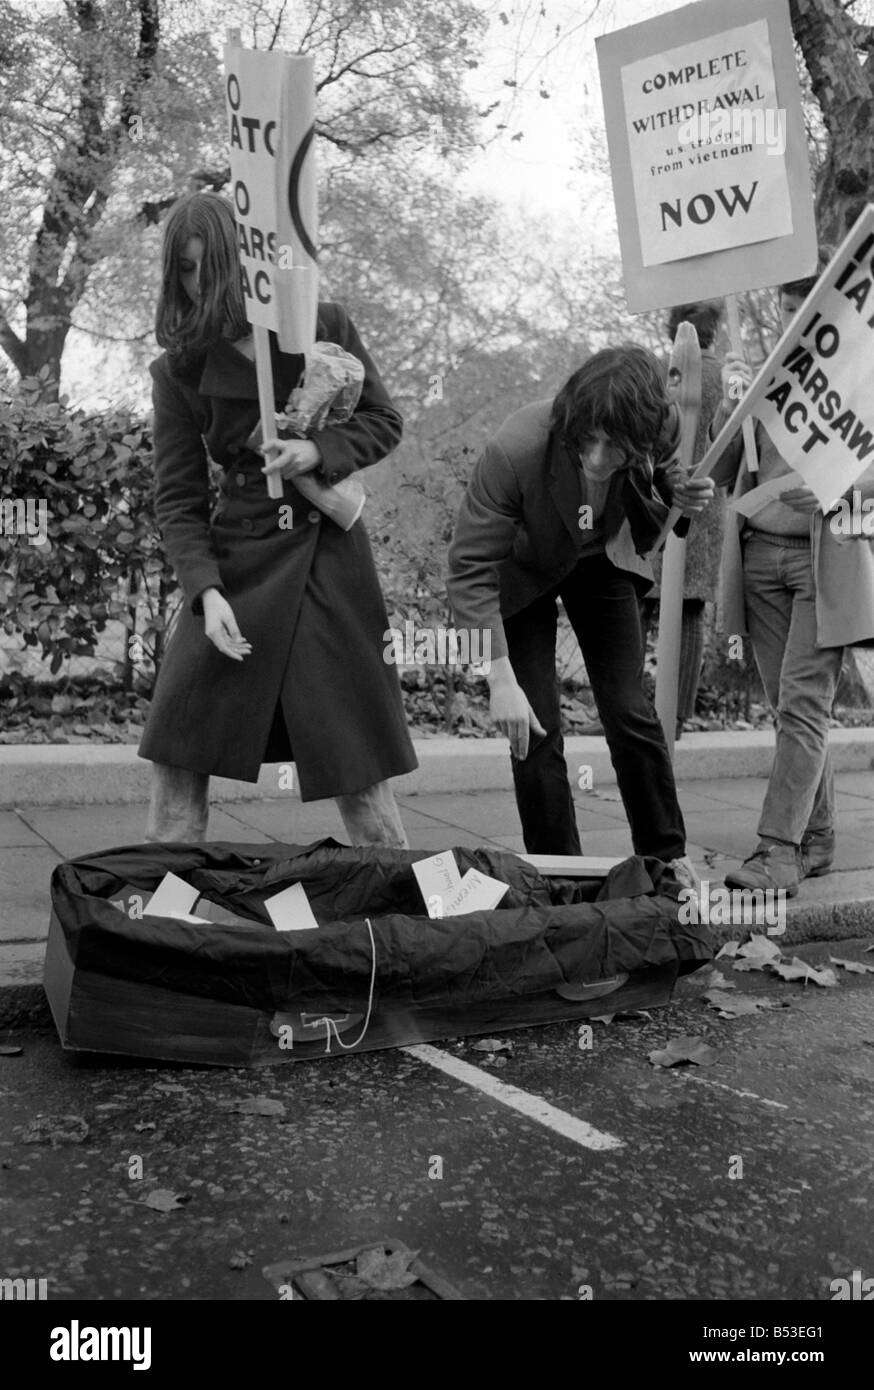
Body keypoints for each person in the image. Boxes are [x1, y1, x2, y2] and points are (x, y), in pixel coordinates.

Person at [138, 192, 416, 846]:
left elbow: (385, 422)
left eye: (209, 265)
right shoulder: (177, 370)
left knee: (357, 760)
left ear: (244, 261)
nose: (198, 283)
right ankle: (155, 925)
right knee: (179, 745)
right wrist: (204, 592)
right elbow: (176, 498)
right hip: (235, 563)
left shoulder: (321, 323)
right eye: (183, 269)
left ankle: (399, 920)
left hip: (325, 561)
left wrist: (319, 449)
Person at [446, 344, 715, 881]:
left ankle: (668, 860)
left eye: (614, 447)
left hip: (600, 562)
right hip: (523, 572)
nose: (596, 458)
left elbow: (661, 475)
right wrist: (499, 677)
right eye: (585, 441)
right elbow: (469, 568)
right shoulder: (516, 449)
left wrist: (677, 487)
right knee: (534, 725)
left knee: (629, 712)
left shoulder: (660, 424)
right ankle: (559, 872)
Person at [712, 249, 874, 894]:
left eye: (802, 313)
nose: (789, 324)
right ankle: (819, 838)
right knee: (788, 710)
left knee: (804, 708)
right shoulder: (762, 378)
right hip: (757, 557)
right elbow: (722, 471)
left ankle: (777, 850)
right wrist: (722, 411)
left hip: (824, 561)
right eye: (783, 311)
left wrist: (842, 489)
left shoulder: (862, 381)